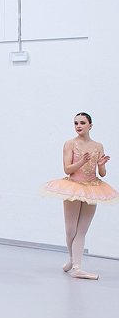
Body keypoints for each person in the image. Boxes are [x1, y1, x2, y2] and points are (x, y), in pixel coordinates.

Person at [43, 112, 115, 279]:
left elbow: (102, 173)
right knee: (70, 230)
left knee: (82, 230)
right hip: (73, 187)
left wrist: (101, 165)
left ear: (90, 125)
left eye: (82, 122)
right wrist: (82, 161)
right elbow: (67, 169)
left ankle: (77, 267)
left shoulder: (98, 146)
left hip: (92, 188)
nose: (78, 126)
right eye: (76, 123)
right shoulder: (70, 143)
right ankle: (71, 259)